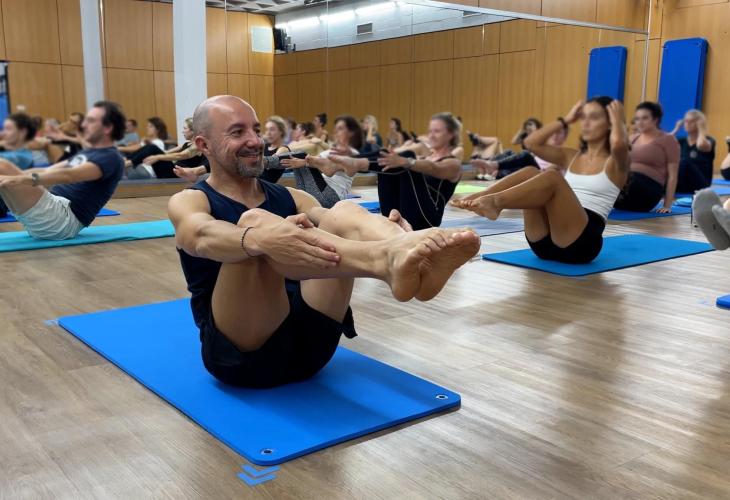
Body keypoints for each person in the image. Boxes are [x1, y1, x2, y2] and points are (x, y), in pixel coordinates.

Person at [167, 95, 480, 388]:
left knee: (342, 211)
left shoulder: (291, 196)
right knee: (255, 222)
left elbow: (340, 222)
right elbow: (198, 236)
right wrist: (262, 238)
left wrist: (389, 228)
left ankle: (409, 256)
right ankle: (385, 260)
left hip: (311, 348)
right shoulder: (190, 200)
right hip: (243, 357)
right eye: (238, 132)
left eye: (256, 130)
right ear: (204, 145)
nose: (255, 140)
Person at [453, 97, 629, 264]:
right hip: (544, 244)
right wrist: (565, 120)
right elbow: (530, 143)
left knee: (552, 176)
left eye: (594, 117)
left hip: (582, 244)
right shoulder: (570, 156)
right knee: (531, 171)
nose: (586, 123)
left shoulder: (617, 163)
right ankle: (484, 195)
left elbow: (619, 145)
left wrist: (618, 121)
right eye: (584, 117)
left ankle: (495, 203)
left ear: (610, 123)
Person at [0, 101, 126, 239]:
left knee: (2, 165)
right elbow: (48, 171)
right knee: (4, 169)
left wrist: (18, 179)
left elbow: (69, 175)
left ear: (107, 128)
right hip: (53, 212)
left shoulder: (111, 158)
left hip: (62, 221)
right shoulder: (90, 153)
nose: (84, 125)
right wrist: (15, 176)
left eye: (90, 121)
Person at [326, 113, 464, 230]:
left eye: (437, 131)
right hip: (397, 213)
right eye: (430, 131)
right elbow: (390, 154)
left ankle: (355, 164)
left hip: (426, 220)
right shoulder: (425, 156)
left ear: (451, 135)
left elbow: (433, 168)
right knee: (391, 159)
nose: (431, 135)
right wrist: (354, 154)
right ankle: (343, 163)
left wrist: (407, 161)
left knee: (407, 159)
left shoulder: (453, 164)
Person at [279, 115, 363, 207]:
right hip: (320, 190)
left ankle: (269, 162)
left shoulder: (352, 153)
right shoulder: (333, 150)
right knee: (298, 158)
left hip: (332, 197)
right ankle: (269, 163)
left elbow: (328, 165)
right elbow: (314, 158)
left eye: (340, 129)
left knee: (301, 157)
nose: (336, 132)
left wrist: (303, 160)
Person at [613, 101, 680, 213]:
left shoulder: (668, 140)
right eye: (637, 119)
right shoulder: (632, 138)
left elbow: (673, 175)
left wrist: (667, 205)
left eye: (645, 118)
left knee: (626, 178)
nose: (640, 122)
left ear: (655, 119)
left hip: (647, 192)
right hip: (625, 190)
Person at [669, 110, 715, 193]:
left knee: (684, 162)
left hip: (701, 183)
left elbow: (700, 145)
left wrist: (702, 129)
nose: (687, 124)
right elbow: (662, 142)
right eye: (686, 121)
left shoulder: (709, 140)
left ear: (699, 123)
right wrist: (676, 129)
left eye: (692, 121)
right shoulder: (681, 141)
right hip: (684, 182)